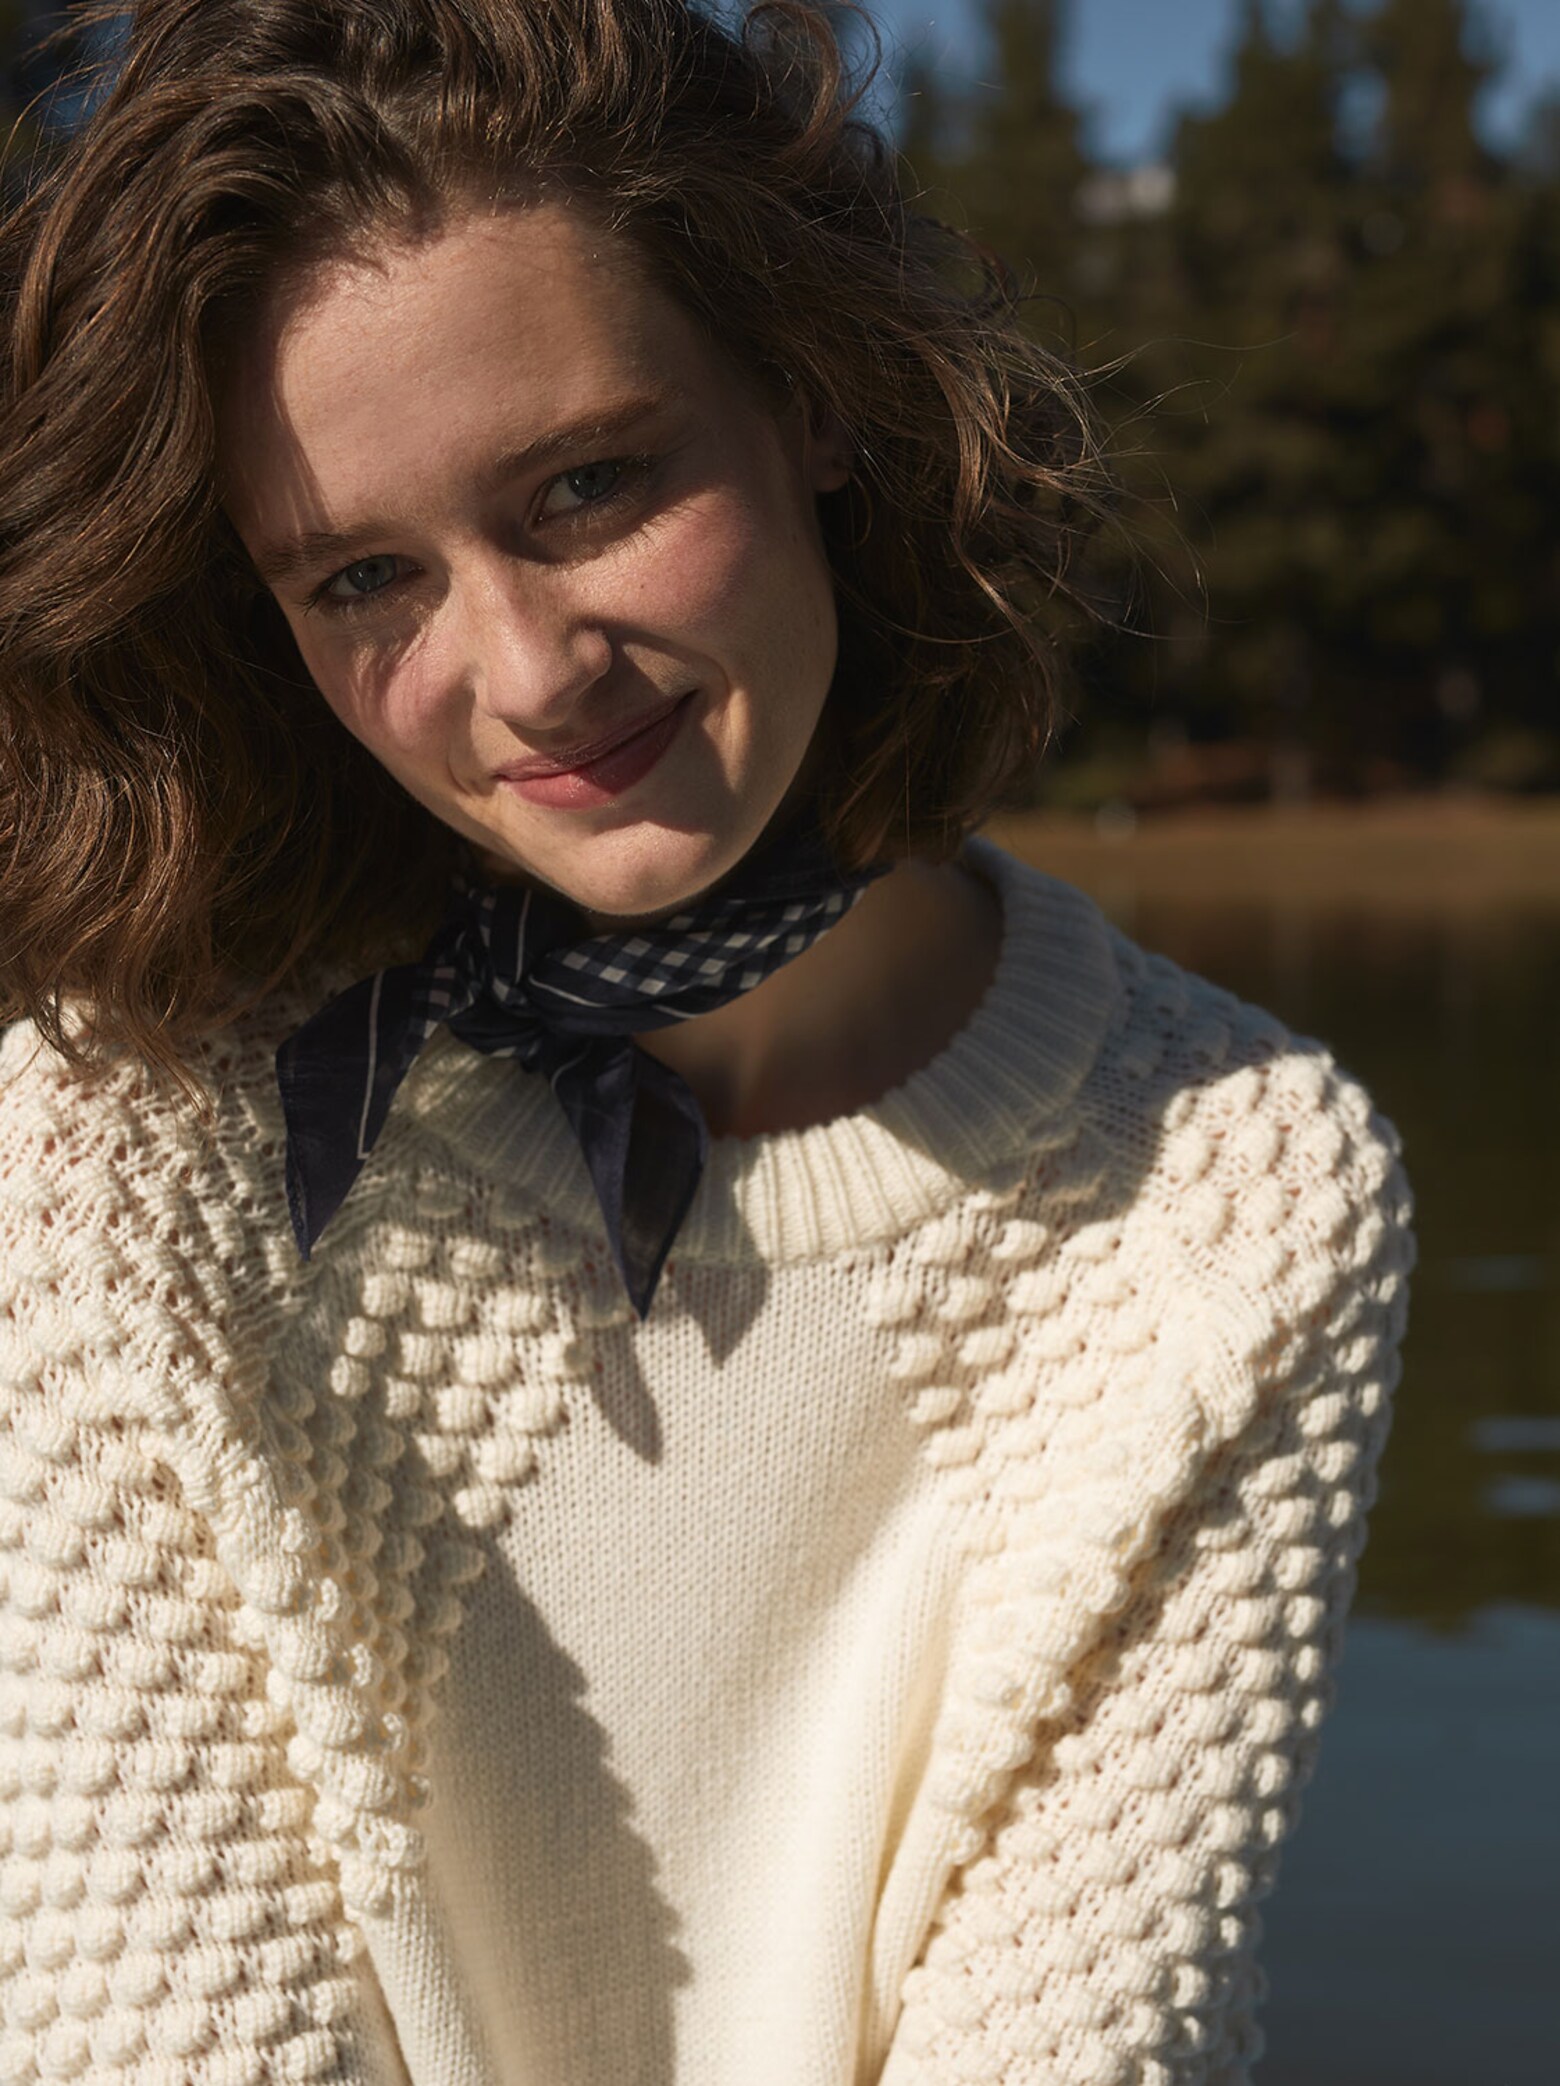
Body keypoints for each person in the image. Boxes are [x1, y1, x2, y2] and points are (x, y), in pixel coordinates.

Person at [0, 2, 1414, 2082]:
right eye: (366, 574)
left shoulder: (1235, 1196)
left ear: (812, 388)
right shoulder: (108, 1161)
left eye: (587, 483)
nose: (523, 672)